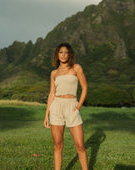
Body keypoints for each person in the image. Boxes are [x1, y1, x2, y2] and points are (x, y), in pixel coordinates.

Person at [44, 42, 88, 170]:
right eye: (61, 52)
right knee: (57, 145)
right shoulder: (54, 73)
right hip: (56, 107)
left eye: (66, 52)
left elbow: (84, 87)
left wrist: (79, 106)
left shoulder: (76, 68)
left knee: (80, 145)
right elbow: (52, 93)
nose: (63, 55)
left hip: (72, 105)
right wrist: (47, 115)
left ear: (69, 55)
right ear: (57, 55)